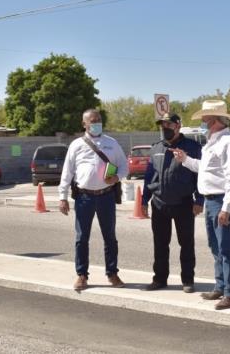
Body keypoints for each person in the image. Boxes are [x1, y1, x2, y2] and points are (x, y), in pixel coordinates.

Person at [172, 100, 230, 310]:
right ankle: (221, 286)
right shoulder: (213, 142)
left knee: (226, 248)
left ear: (214, 121)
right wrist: (185, 159)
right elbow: (205, 169)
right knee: (216, 246)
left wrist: (226, 208)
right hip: (213, 200)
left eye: (205, 120)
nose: (202, 123)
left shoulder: (229, 143)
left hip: (222, 200)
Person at [58, 109, 129, 291]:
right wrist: (62, 197)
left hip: (106, 196)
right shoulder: (76, 145)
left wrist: (116, 178)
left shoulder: (111, 143)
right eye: (93, 120)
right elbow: (67, 172)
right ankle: (82, 275)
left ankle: (112, 273)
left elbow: (124, 166)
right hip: (84, 198)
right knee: (82, 238)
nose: (97, 123)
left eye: (99, 120)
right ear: (84, 124)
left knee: (110, 237)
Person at [142, 113, 204, 293]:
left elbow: (200, 175)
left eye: (168, 124)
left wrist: (199, 199)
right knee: (160, 244)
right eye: (162, 124)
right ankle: (160, 279)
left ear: (178, 126)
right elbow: (148, 177)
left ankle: (188, 280)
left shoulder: (192, 147)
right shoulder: (156, 149)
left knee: (186, 243)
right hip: (159, 204)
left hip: (184, 203)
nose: (165, 127)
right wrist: (144, 200)